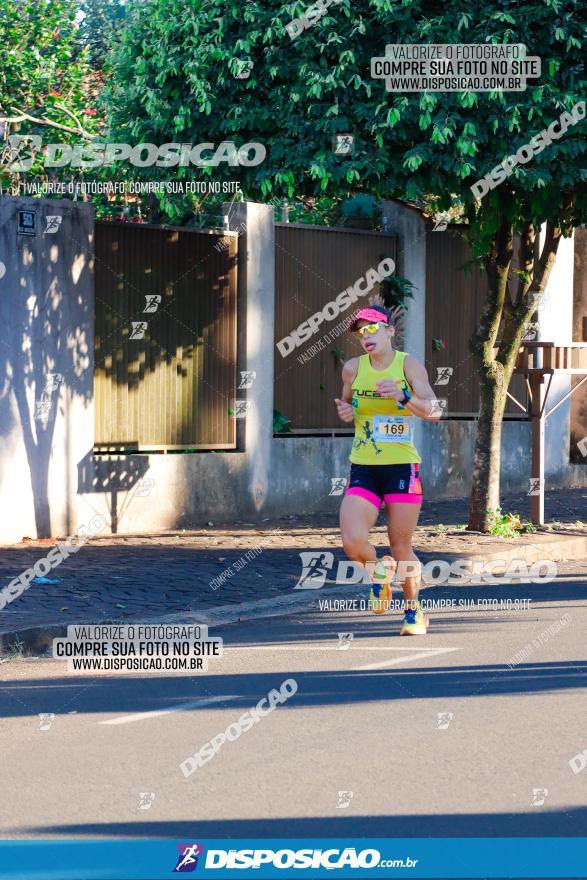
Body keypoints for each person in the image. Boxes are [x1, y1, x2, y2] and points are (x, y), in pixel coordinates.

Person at [334, 303, 441, 635]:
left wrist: (404, 396)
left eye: (373, 328)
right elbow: (350, 405)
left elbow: (435, 410)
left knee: (401, 545)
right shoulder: (352, 368)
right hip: (364, 466)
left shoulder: (408, 365)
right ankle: (379, 570)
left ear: (390, 331)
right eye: (361, 331)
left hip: (401, 468)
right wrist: (347, 413)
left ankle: (413, 612)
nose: (367, 336)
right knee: (352, 542)